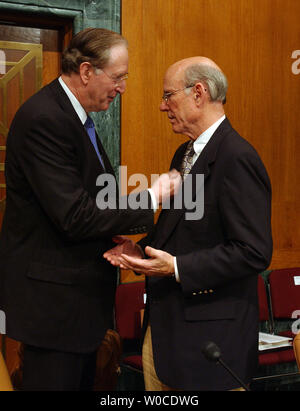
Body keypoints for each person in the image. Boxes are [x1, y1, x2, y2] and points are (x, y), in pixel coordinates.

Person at [0, 28, 181, 391]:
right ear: (86, 72)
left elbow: (88, 203)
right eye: (118, 78)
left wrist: (115, 235)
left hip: (77, 311)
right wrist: (150, 197)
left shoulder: (75, 117)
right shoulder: (45, 118)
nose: (122, 88)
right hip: (54, 312)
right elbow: (74, 215)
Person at [104, 56, 273, 390]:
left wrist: (178, 267)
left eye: (169, 96)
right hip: (164, 336)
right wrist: (141, 250)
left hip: (209, 347)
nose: (161, 106)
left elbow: (254, 252)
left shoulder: (238, 157)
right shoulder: (184, 154)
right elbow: (182, 229)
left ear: (199, 93)